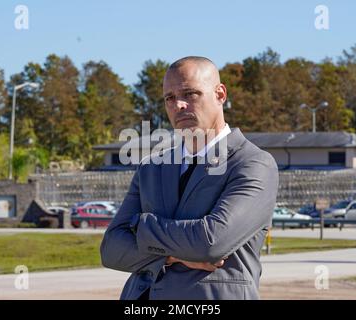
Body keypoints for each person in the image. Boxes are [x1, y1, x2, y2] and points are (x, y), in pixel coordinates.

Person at [100, 56, 279, 300]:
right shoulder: (151, 168)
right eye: (169, 98)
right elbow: (111, 249)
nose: (179, 105)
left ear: (220, 94)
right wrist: (173, 255)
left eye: (190, 94)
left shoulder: (252, 164)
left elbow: (210, 242)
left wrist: (141, 227)